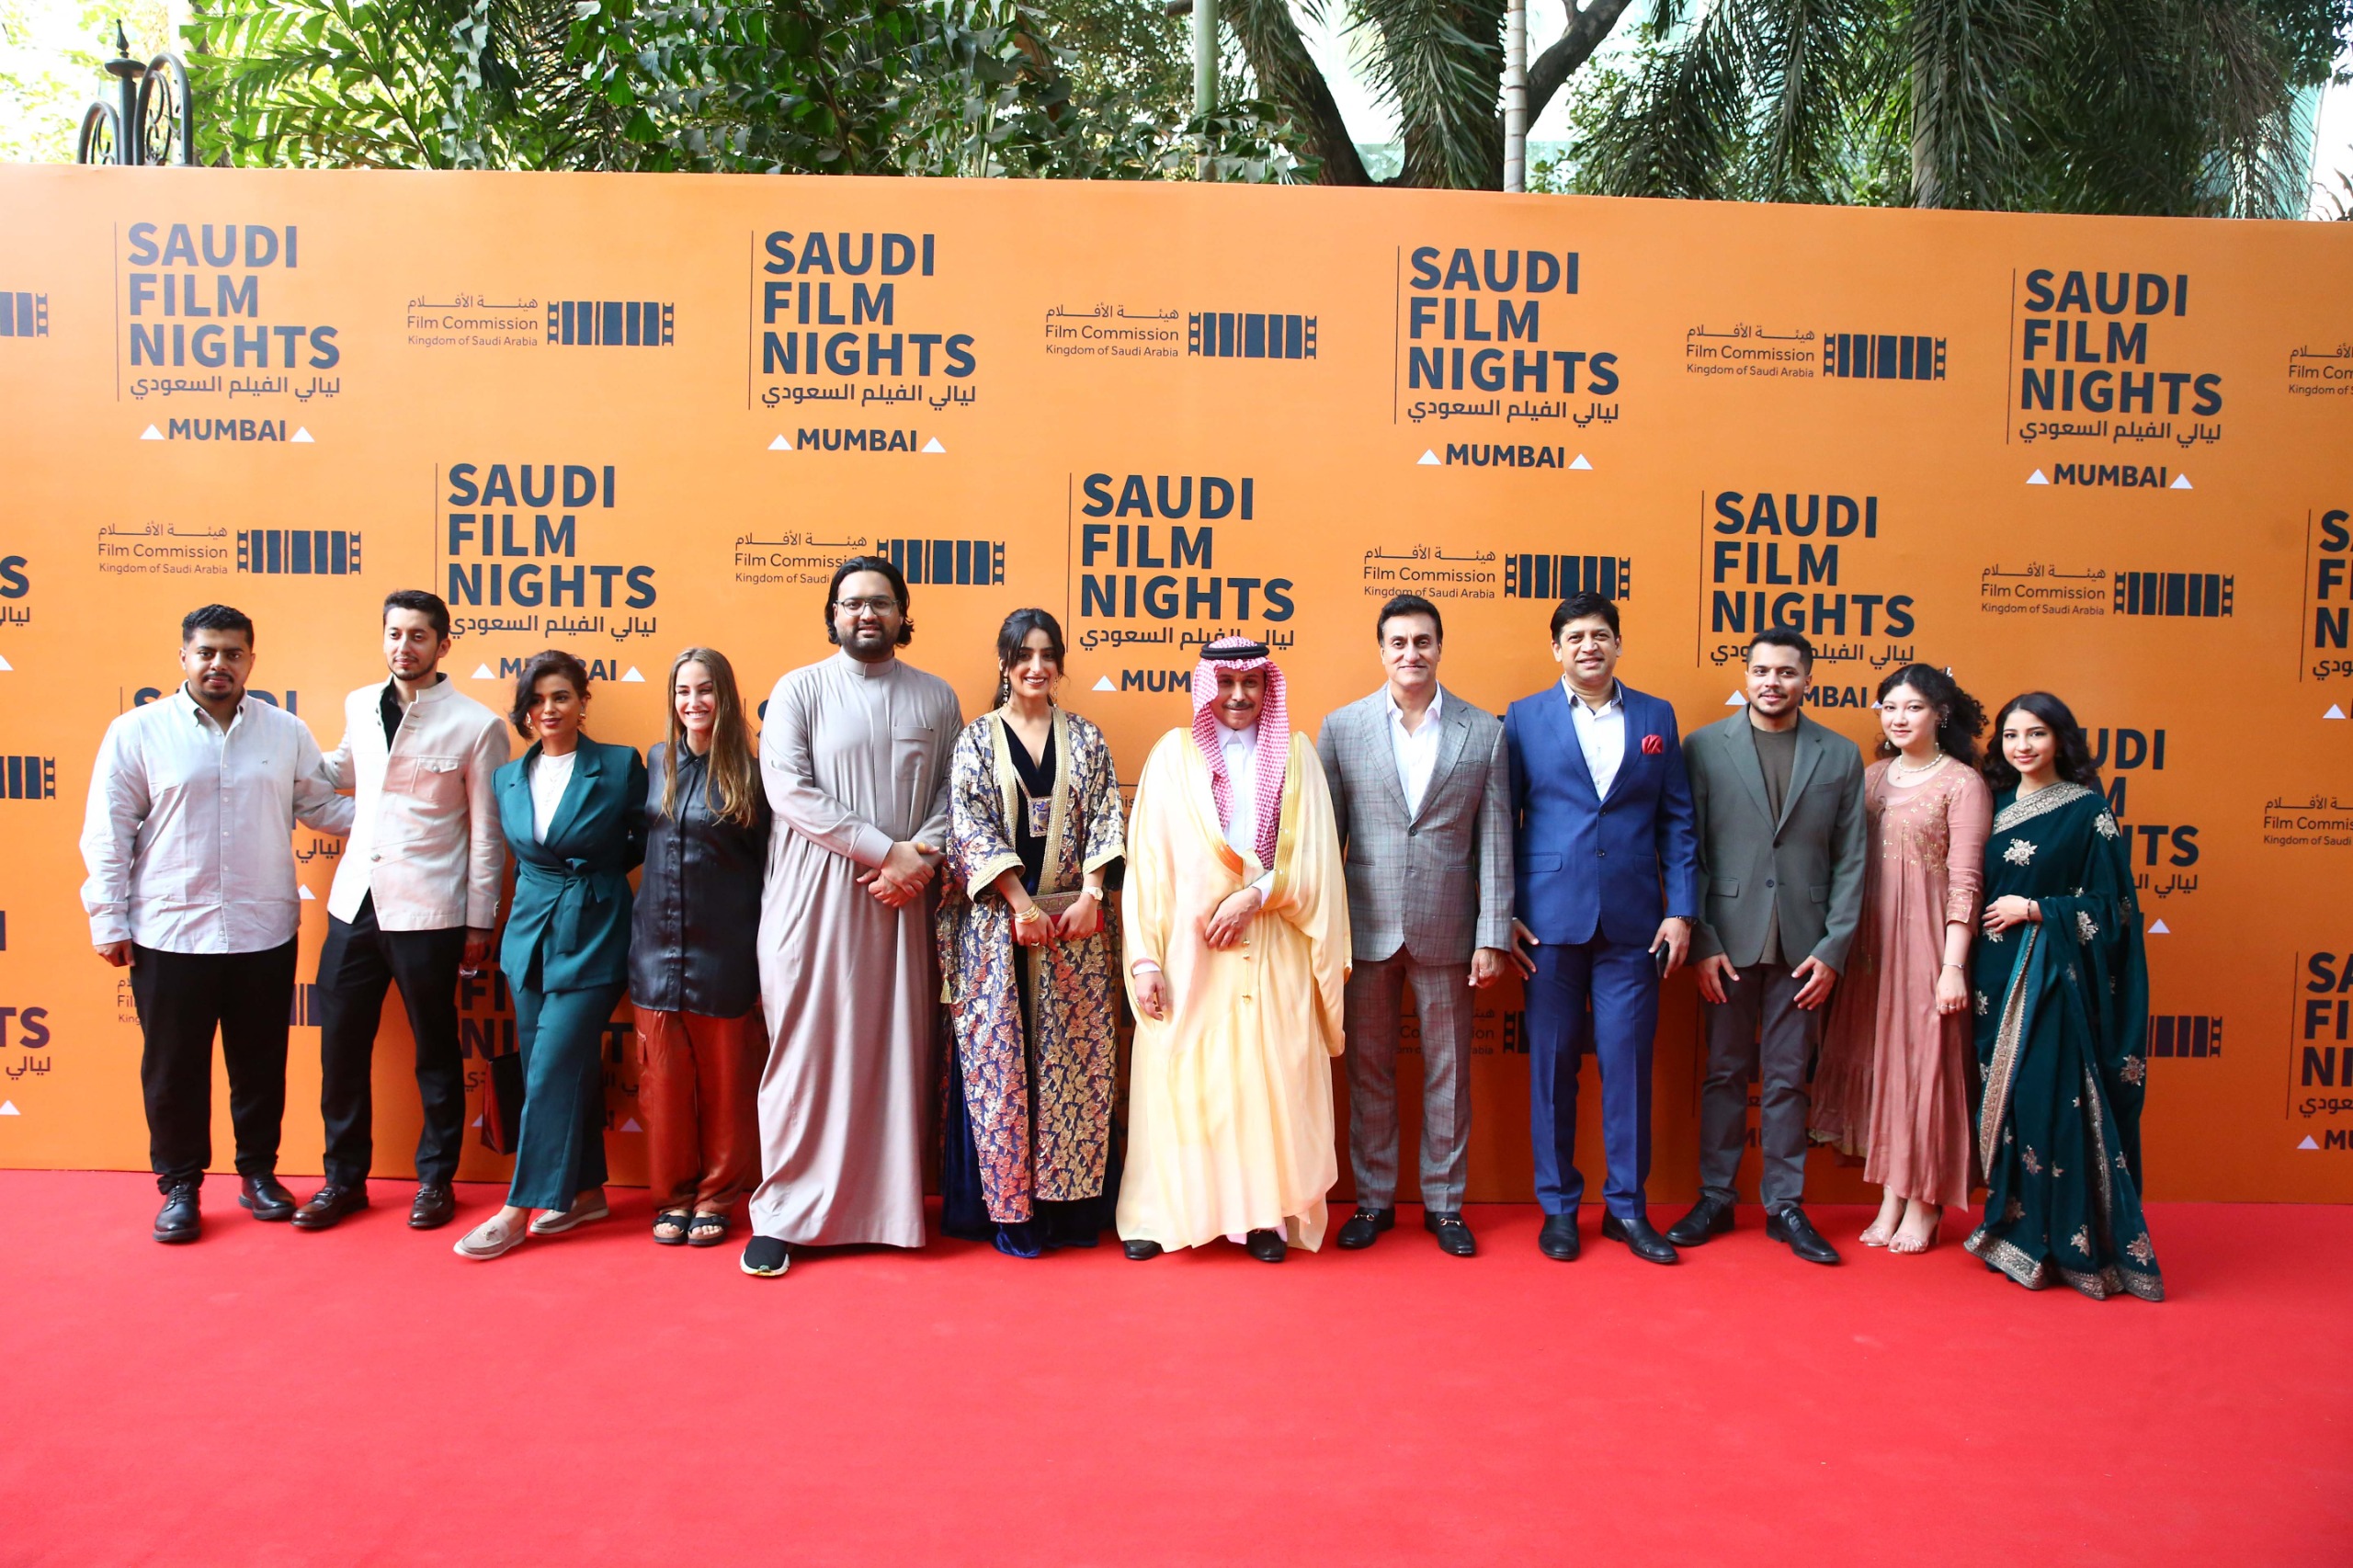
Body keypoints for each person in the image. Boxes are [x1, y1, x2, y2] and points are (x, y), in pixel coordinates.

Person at [80, 605, 353, 1244]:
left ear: (251, 660)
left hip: (263, 928)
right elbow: (108, 832)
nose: (218, 664)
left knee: (260, 1062)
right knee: (173, 1069)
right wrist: (107, 917)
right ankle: (179, 1186)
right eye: (206, 652)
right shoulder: (137, 731)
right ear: (184, 657)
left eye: (232, 653)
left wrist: (411, 816)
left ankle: (258, 1174)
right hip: (169, 930)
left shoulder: (284, 731)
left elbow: (320, 806)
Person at [742, 557, 961, 1278]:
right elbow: (789, 790)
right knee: (805, 1053)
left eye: (881, 602)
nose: (867, 614)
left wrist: (918, 858)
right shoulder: (798, 690)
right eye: (852, 603)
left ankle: (887, 1213)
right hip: (815, 899)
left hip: (903, 901)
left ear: (902, 613)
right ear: (833, 615)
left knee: (894, 1050)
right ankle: (784, 1215)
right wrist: (885, 851)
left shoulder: (936, 696)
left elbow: (956, 793)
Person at [1119, 637, 1349, 1263]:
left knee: (1266, 1084)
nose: (1239, 696)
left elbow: (1317, 861)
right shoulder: (1173, 756)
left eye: (1251, 683)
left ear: (1268, 687)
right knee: (1187, 1082)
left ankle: (1263, 1218)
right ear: (1206, 688)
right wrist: (1145, 960)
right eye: (1226, 683)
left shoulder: (1297, 757)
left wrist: (1254, 897)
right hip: (1188, 952)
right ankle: (1165, 1214)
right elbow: (1146, 867)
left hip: (1273, 942)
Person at [300, 590, 508, 1233]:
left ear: (442, 645)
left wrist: (479, 920)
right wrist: (282, 763)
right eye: (394, 633)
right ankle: (342, 1182)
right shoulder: (359, 705)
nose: (404, 646)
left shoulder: (477, 725)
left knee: (435, 1050)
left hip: (430, 911)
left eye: (418, 636)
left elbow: (487, 832)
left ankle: (435, 1180)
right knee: (341, 1049)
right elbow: (341, 772)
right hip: (353, 905)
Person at [1503, 591, 1698, 1265]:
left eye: (1600, 635)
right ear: (1556, 649)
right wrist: (1503, 911)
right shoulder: (1524, 718)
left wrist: (1681, 908)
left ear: (1618, 644)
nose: (1589, 646)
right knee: (1553, 1071)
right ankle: (1559, 1208)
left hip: (1635, 925)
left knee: (1628, 1068)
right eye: (1576, 637)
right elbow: (1502, 821)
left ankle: (1627, 1210)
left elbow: (1677, 819)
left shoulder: (1655, 716)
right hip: (1547, 924)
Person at [1315, 593, 1512, 1257]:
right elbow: (1325, 844)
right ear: (1381, 651)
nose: (1411, 653)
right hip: (1365, 930)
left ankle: (1445, 1205)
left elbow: (1495, 843)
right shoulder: (1342, 728)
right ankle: (1373, 1200)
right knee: (1368, 1070)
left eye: (1422, 641)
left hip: (1449, 930)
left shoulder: (1484, 731)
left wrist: (1492, 935)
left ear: (1439, 647)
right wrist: (1327, 934)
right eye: (1398, 642)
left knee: (1449, 1074)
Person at [1665, 629, 1865, 1267]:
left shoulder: (1840, 755)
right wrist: (1703, 939)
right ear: (1745, 676)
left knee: (1786, 1078)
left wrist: (1834, 948)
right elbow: (1688, 849)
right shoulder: (1702, 747)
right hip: (1726, 941)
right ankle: (1716, 1197)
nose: (1772, 683)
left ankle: (1785, 1206)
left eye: (1786, 672)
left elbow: (1852, 860)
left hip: (1806, 945)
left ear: (1807, 680)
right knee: (1724, 1071)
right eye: (1761, 671)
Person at [937, 609, 1125, 1257]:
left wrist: (1092, 896)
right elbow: (969, 829)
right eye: (1024, 655)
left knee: (1074, 1068)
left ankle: (1070, 1212)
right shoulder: (975, 740)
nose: (1036, 667)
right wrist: (1020, 904)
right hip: (1000, 930)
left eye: (1047, 655)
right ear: (1005, 662)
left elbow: (1107, 817)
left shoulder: (1087, 739)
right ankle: (1011, 1213)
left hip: (1075, 930)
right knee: (1002, 1069)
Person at [452, 651, 646, 1259]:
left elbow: (644, 840)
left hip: (595, 931)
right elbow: (511, 855)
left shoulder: (619, 765)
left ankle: (518, 1207)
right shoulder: (506, 778)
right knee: (564, 1064)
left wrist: (597, 874)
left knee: (552, 1068)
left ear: (583, 701)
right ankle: (585, 1192)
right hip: (529, 940)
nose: (549, 709)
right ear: (524, 711)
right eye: (537, 700)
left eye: (561, 696)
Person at [1968, 692, 2161, 1300]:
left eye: (2036, 734)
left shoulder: (2086, 811)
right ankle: (2011, 1227)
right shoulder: (1989, 802)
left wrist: (2036, 909)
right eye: (2011, 735)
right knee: (2009, 1108)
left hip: (2051, 978)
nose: (2022, 746)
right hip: (1990, 978)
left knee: (2049, 1101)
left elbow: (2112, 909)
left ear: (2061, 740)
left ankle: (2061, 1244)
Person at [1809, 664, 1992, 1255]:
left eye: (1913, 707)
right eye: (1889, 707)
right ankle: (1891, 1193)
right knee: (1882, 1067)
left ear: (1941, 713)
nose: (1899, 718)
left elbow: (1966, 882)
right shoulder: (1872, 777)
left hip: (1929, 946)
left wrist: (1953, 966)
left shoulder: (1962, 783)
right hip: (1868, 946)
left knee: (1923, 1069)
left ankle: (1925, 1201)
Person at [632, 647, 770, 1248]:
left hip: (726, 955)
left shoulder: (754, 775)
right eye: (683, 691)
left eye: (706, 689)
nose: (694, 702)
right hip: (654, 954)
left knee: (726, 1087)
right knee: (662, 1089)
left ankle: (716, 1196)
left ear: (727, 697)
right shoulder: (656, 762)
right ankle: (672, 1198)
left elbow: (771, 871)